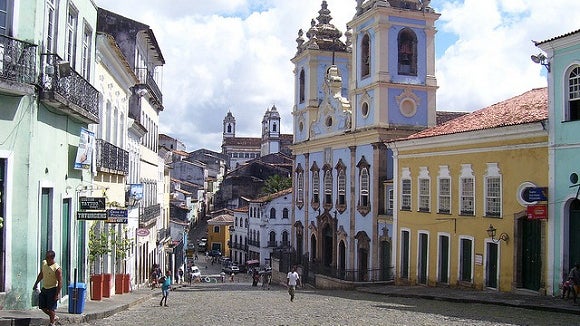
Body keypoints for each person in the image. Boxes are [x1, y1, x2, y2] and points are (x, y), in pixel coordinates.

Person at [33, 250, 62, 326]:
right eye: (46, 257)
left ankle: (52, 323)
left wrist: (57, 294)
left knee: (51, 308)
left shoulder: (56, 268)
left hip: (52, 289)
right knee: (42, 306)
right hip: (45, 288)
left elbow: (60, 282)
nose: (46, 258)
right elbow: (41, 274)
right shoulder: (44, 263)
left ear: (52, 258)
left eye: (47, 257)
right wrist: (36, 283)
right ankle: (54, 317)